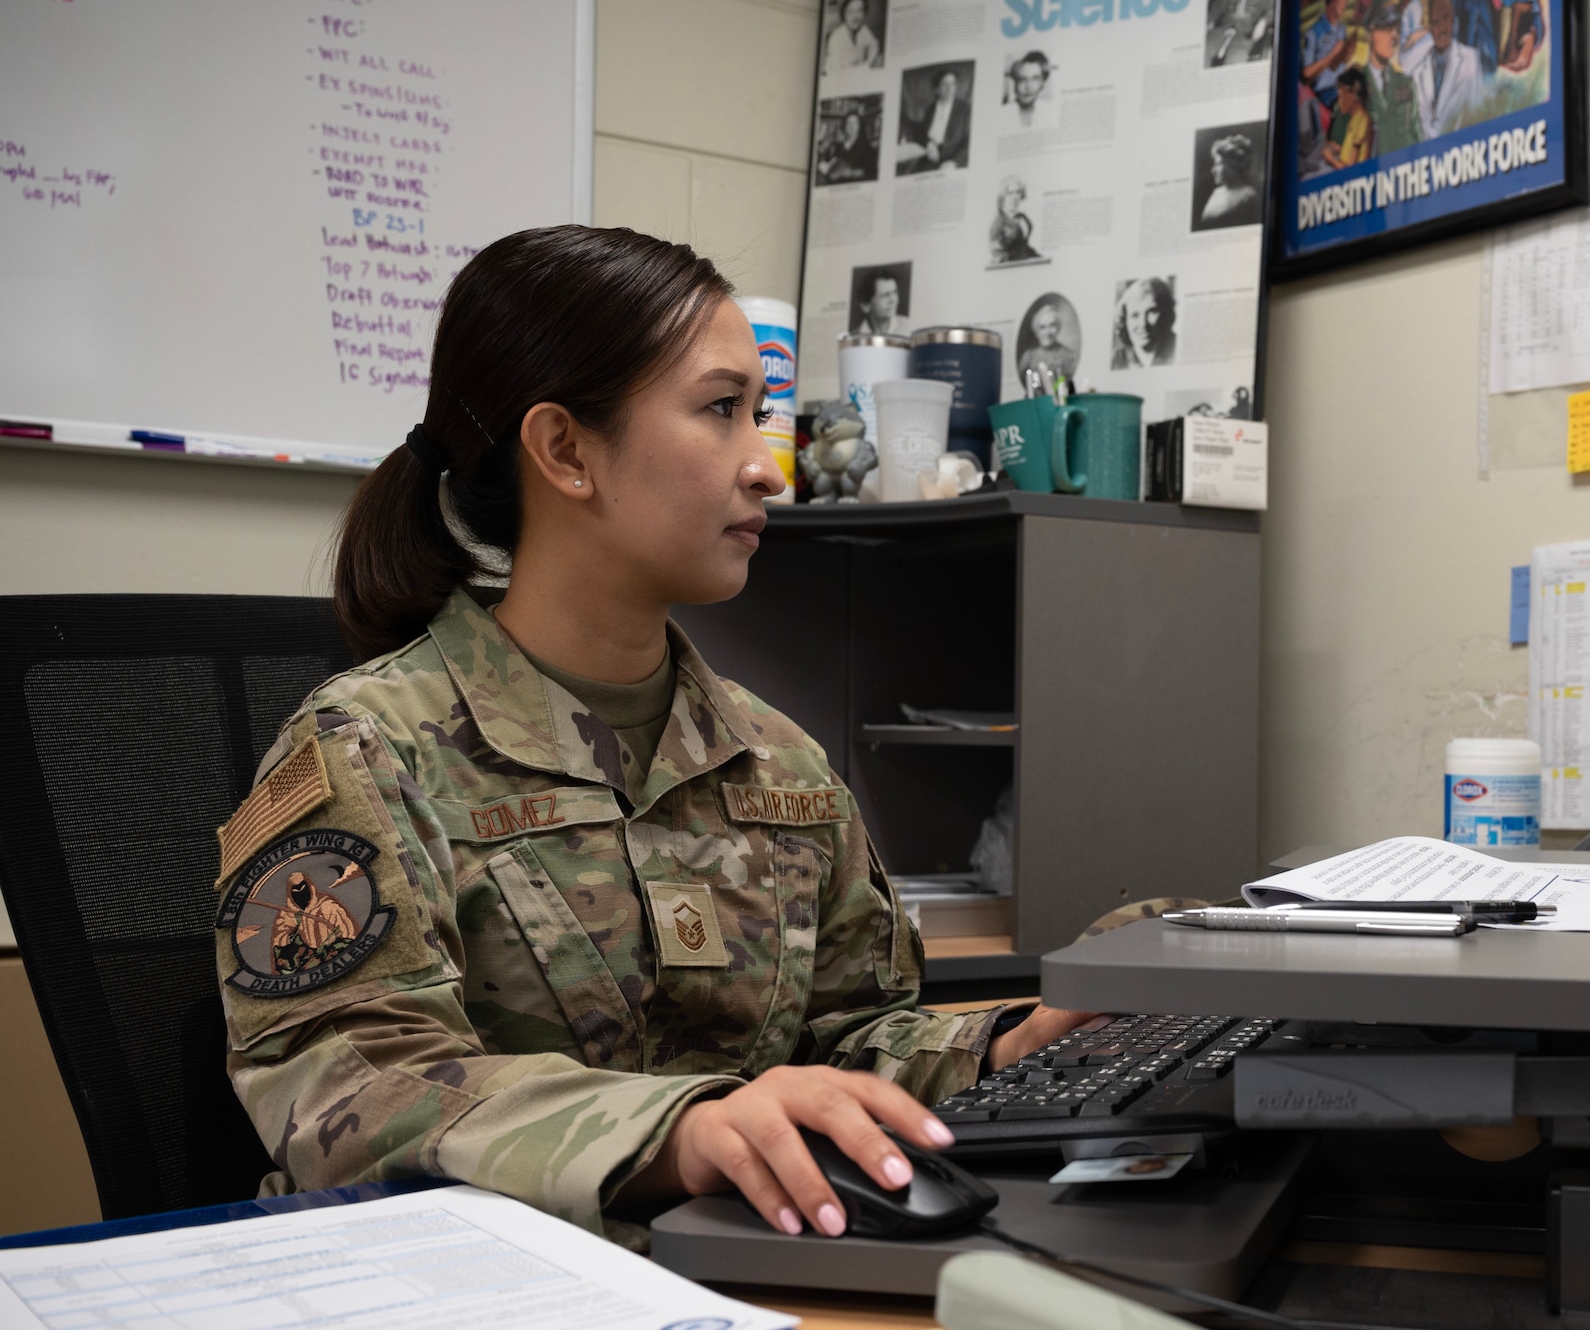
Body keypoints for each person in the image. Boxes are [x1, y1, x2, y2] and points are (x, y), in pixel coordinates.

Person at [213, 225, 1091, 1246]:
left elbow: (846, 1040)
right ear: (564, 450)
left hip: (750, 1266)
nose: (765, 468)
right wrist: (680, 1132)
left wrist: (1008, 1045)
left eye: (756, 417)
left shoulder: (777, 759)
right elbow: (350, 1094)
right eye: (721, 411)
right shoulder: (366, 753)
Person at [1403, 0, 1485, 140]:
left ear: (1453, 19)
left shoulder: (1471, 59)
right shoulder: (1417, 67)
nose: (1442, 28)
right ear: (1429, 28)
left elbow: (1478, 112)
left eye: (1446, 18)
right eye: (1435, 22)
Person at [1363, 0, 1422, 155]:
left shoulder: (1406, 84)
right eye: (1387, 27)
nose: (1394, 35)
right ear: (1370, 33)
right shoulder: (1356, 85)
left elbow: (1417, 138)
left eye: (1397, 28)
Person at [896, 68, 970, 173]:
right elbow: (922, 132)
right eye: (945, 84)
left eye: (953, 83)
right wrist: (928, 143)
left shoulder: (965, 109)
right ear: (937, 89)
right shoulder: (932, 107)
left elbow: (969, 141)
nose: (950, 88)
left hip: (951, 160)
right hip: (930, 156)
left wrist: (954, 162)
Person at [1110, 278, 1176, 370]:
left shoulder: (1176, 349)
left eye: (1152, 312)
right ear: (1125, 320)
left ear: (1165, 313)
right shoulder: (1116, 360)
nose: (1143, 324)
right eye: (1135, 315)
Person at [1200, 134, 1261, 226]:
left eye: (1218, 164)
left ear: (1234, 165)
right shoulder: (1217, 192)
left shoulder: (1249, 198)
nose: (1213, 170)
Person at [1017, 299, 1078, 386]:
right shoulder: (1028, 357)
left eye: (1052, 325)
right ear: (1036, 331)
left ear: (1058, 328)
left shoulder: (1069, 357)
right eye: (1043, 327)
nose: (1047, 332)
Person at [1322, 67, 1373, 171]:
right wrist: (1338, 148)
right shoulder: (1355, 117)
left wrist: (1330, 158)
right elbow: (1351, 152)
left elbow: (1350, 170)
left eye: (1341, 97)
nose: (1339, 103)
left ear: (1353, 94)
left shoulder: (1362, 120)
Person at [822, 0, 881, 73]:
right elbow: (837, 74)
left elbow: (874, 45)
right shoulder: (836, 39)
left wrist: (869, 60)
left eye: (860, 10)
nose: (855, 16)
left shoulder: (863, 29)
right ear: (843, 14)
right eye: (850, 11)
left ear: (865, 13)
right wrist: (866, 66)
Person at [990, 177, 1041, 263]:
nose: (1015, 197)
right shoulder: (998, 224)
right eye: (1010, 193)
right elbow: (998, 257)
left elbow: (1024, 246)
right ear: (1003, 196)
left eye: (1018, 192)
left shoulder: (1023, 218)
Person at [816, 110, 874, 185]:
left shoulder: (866, 148)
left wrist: (850, 173)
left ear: (859, 126)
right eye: (848, 123)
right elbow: (827, 165)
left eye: (854, 123)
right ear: (844, 126)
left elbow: (871, 171)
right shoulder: (837, 146)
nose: (851, 126)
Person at [1005, 51, 1050, 129]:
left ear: (1042, 83)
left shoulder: (1050, 111)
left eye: (1035, 79)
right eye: (1022, 79)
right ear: (1015, 83)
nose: (1028, 86)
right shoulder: (1003, 114)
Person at [855, 271, 910, 336]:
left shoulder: (909, 327)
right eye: (885, 295)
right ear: (865, 305)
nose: (893, 300)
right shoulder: (855, 336)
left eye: (895, 292)